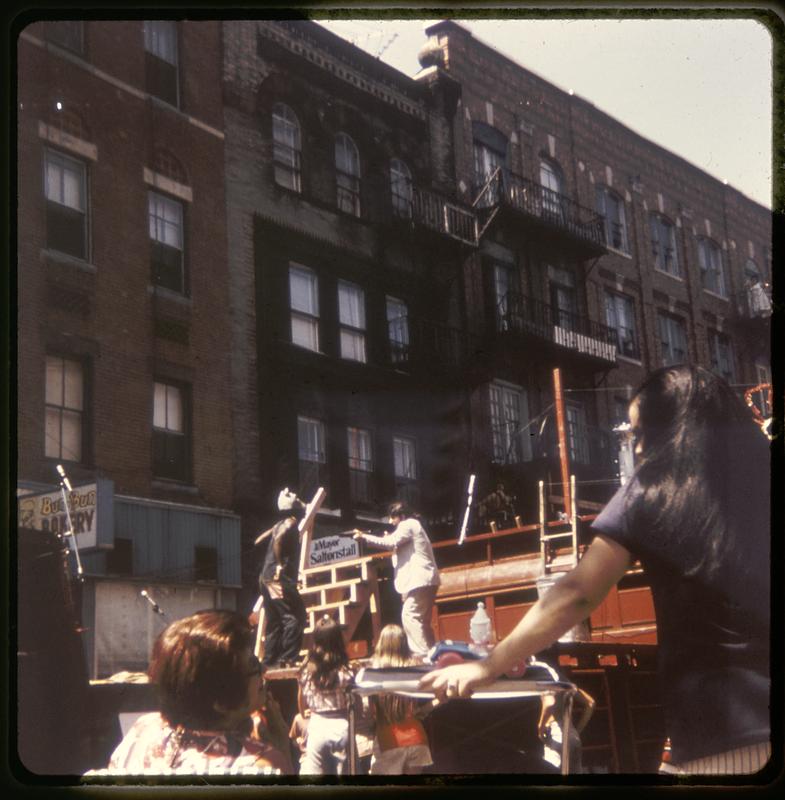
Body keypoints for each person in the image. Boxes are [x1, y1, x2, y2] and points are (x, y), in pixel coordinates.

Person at [420, 365, 770, 775]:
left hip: (725, 737)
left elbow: (578, 592)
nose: (637, 449)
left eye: (639, 435)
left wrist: (487, 666)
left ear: (669, 428)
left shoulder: (654, 488)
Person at [86, 610, 291, 775]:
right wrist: (282, 748)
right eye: (254, 665)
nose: (264, 670)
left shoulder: (143, 730)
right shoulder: (260, 764)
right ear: (220, 701)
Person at [354, 501, 440, 658]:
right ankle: (432, 654)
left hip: (421, 579)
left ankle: (421, 655)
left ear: (401, 516)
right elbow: (394, 543)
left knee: (410, 615)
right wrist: (390, 541)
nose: (390, 522)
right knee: (422, 621)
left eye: (393, 518)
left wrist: (364, 537)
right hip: (426, 579)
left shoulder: (408, 524)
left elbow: (391, 542)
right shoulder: (413, 526)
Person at [368, 624, 434, 775]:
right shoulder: (413, 667)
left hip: (388, 740)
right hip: (417, 739)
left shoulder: (373, 671)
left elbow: (369, 711)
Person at [297, 615, 356, 775]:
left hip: (317, 725)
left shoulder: (307, 671)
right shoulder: (346, 671)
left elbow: (301, 701)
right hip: (341, 725)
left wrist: (304, 714)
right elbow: (355, 701)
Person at [257, 488, 308, 668]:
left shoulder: (279, 523)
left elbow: (263, 538)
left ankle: (268, 660)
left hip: (265, 578)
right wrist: (279, 564)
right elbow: (278, 539)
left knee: (274, 620)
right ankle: (288, 658)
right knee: (295, 616)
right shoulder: (290, 524)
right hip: (277, 579)